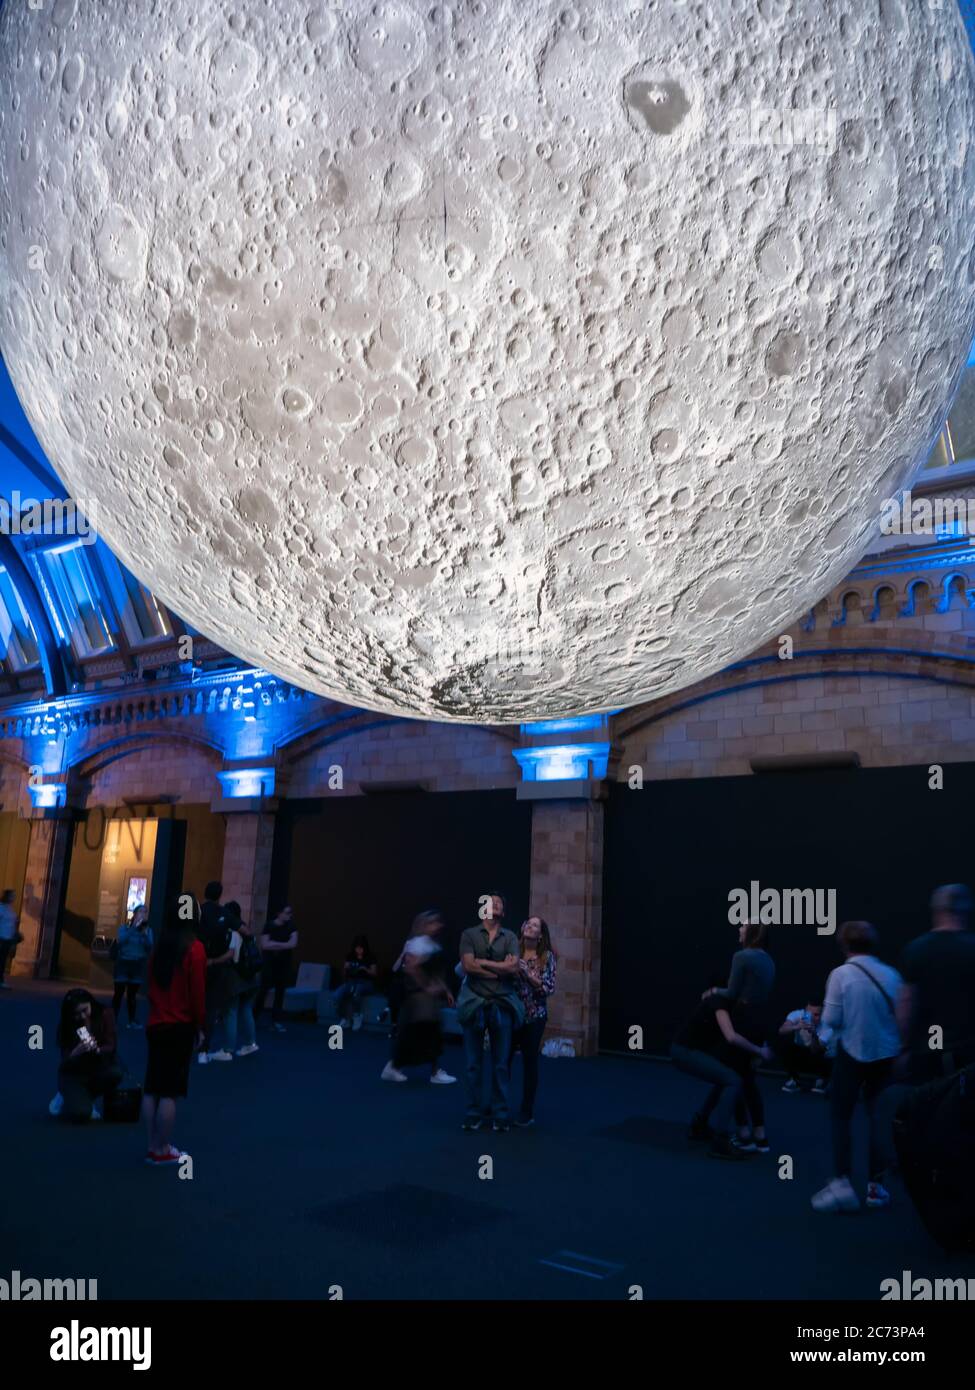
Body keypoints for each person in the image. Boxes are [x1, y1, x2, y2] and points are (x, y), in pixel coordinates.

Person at [811, 921, 903, 1214]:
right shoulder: (892, 974)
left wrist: (819, 1041)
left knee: (841, 1118)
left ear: (844, 945)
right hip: (885, 1056)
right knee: (878, 1119)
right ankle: (876, 1188)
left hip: (851, 1054)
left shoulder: (841, 975)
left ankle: (843, 1185)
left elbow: (833, 1020)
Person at [674, 975, 773, 1160]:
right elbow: (731, 1037)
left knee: (726, 1077)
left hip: (697, 1051)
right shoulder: (718, 1001)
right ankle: (720, 1141)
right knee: (732, 1080)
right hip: (684, 1051)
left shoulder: (725, 1003)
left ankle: (700, 1124)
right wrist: (760, 1051)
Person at [701, 922, 776, 1152]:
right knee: (748, 1079)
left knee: (732, 1077)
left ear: (751, 933)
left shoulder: (741, 957)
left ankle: (744, 1131)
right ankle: (758, 1133)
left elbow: (732, 992)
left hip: (743, 1018)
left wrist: (713, 992)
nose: (739, 930)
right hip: (760, 1020)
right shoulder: (768, 960)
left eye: (743, 927)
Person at [143, 896, 206, 1165]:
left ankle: (151, 1145)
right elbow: (197, 993)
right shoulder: (195, 949)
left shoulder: (160, 948)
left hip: (156, 1023)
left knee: (152, 1087)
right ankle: (162, 1148)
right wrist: (200, 1026)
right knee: (170, 1091)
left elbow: (148, 984)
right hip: (180, 1026)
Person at [456, 892, 524, 1132]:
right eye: (490, 901)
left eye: (499, 903)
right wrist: (499, 970)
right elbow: (467, 965)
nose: (494, 904)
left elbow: (514, 966)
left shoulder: (510, 937)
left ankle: (500, 1114)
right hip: (474, 1004)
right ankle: (474, 1113)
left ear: (503, 912)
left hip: (502, 1004)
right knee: (473, 1063)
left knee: (501, 1064)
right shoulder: (469, 934)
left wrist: (483, 963)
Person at [897, 884, 975, 1084]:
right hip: (969, 1048)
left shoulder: (917, 949)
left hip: (931, 1044)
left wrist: (903, 1048)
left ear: (936, 910)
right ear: (965, 911)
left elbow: (907, 1004)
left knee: (930, 1106)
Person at [381, 911, 456, 1085]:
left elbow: (436, 973)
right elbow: (411, 969)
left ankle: (434, 1071)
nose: (438, 926)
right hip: (418, 1000)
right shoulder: (416, 944)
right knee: (415, 1034)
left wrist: (446, 991)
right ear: (424, 925)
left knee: (432, 1034)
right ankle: (393, 1067)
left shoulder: (434, 945)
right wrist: (427, 987)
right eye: (433, 923)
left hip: (429, 1002)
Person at [51, 989, 122, 1122]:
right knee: (81, 1114)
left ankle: (84, 1097)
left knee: (116, 1073)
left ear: (91, 1003)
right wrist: (75, 1052)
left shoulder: (105, 1013)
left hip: (96, 1067)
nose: (82, 1016)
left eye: (85, 1010)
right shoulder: (67, 1024)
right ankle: (67, 1095)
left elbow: (111, 1045)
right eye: (77, 1014)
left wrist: (98, 1050)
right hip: (73, 1074)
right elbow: (64, 1063)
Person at [513, 916, 557, 1127]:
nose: (529, 926)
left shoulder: (547, 957)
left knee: (530, 1063)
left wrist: (527, 973)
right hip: (511, 1014)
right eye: (528, 923)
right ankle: (496, 1105)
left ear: (540, 935)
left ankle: (526, 1111)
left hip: (534, 1016)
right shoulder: (512, 951)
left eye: (535, 925)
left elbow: (548, 988)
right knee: (501, 1060)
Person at [197, 881, 234, 1062]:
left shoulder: (198, 911)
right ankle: (203, 1049)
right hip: (216, 967)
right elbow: (245, 931)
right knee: (211, 1008)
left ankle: (195, 1039)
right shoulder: (225, 914)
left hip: (197, 964)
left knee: (192, 1002)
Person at [221, 902, 261, 1058]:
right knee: (246, 1009)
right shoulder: (248, 933)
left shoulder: (233, 933)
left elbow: (231, 955)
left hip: (236, 977)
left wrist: (213, 960)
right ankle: (251, 1043)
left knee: (231, 1011)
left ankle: (228, 1049)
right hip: (251, 977)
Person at [254, 906, 296, 1033]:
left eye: (291, 913)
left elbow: (293, 944)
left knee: (280, 993)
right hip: (269, 964)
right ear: (279, 913)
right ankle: (253, 1018)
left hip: (283, 964)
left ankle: (276, 1021)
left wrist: (275, 944)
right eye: (287, 912)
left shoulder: (291, 926)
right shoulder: (269, 926)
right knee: (263, 991)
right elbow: (265, 945)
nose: (290, 915)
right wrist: (284, 945)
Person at [111, 904, 153, 1028]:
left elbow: (150, 946)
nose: (143, 914)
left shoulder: (148, 930)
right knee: (118, 994)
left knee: (132, 995)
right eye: (141, 911)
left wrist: (144, 934)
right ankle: (113, 1020)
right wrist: (133, 928)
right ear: (134, 914)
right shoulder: (124, 928)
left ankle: (132, 1020)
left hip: (137, 965)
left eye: (145, 912)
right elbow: (121, 940)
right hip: (123, 963)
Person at [778, 1001, 832, 1094]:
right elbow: (781, 1030)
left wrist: (814, 1035)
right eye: (809, 1014)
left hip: (818, 1058)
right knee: (785, 1045)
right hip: (801, 1056)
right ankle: (794, 1080)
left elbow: (816, 1051)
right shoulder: (798, 1015)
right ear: (805, 1012)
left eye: (816, 1015)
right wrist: (796, 1027)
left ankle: (822, 1080)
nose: (812, 1018)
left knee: (824, 1052)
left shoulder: (827, 1025)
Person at [334, 935, 379, 1030]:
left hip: (366, 983)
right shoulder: (350, 956)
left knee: (357, 991)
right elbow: (344, 971)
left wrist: (365, 969)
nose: (359, 950)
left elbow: (374, 973)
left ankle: (357, 1015)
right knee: (337, 994)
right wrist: (348, 968)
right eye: (357, 948)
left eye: (361, 948)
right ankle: (345, 1018)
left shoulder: (371, 957)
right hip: (352, 981)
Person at [0, 887, 19, 987]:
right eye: (12, 895)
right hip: (1, 938)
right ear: (7, 896)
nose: (14, 897)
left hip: (8, 938)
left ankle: (1, 980)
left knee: (3, 960)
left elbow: (13, 922)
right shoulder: (1, 907)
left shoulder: (9, 908)